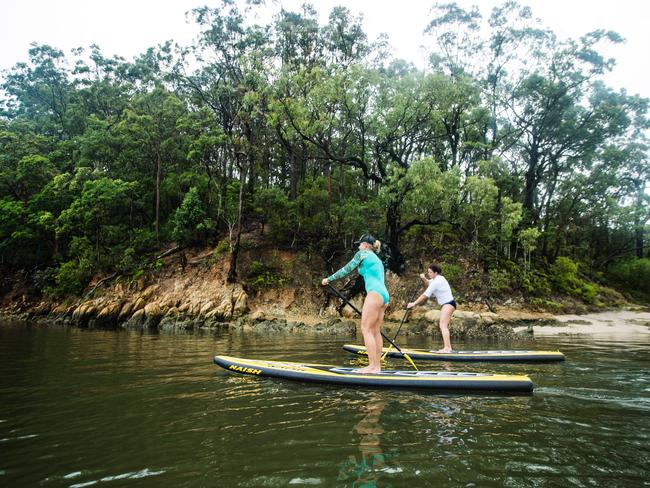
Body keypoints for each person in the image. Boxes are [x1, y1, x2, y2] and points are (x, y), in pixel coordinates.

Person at [322, 234, 389, 374]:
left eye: (360, 244)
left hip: (375, 293)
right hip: (384, 295)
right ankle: (377, 367)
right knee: (375, 331)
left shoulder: (363, 253)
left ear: (365, 245)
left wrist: (329, 279)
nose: (358, 246)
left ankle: (371, 367)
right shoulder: (376, 258)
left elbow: (346, 269)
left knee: (366, 329)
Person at [406, 264, 456, 353]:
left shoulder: (437, 282)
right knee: (443, 326)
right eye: (428, 272)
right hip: (448, 304)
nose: (428, 274)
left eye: (430, 272)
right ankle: (447, 348)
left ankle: (448, 348)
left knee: (443, 326)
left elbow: (425, 295)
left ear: (435, 273)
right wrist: (424, 278)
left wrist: (414, 303)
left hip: (448, 304)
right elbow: (428, 283)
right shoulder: (439, 278)